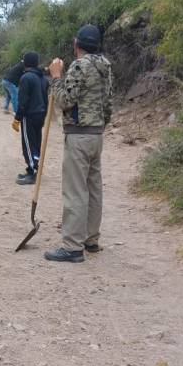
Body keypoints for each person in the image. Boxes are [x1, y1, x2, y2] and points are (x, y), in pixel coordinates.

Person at [44, 24, 113, 263]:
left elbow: (65, 100)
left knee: (75, 190)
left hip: (79, 135)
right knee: (94, 188)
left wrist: (55, 77)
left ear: (77, 45)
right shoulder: (105, 66)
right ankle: (90, 239)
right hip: (96, 135)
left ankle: (72, 246)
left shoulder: (79, 66)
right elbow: (108, 103)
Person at [12, 51, 49, 185]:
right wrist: (44, 115)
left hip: (29, 115)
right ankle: (32, 167)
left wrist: (17, 118)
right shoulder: (43, 78)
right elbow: (46, 100)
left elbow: (23, 102)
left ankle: (33, 173)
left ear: (25, 63)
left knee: (27, 144)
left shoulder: (26, 78)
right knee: (36, 143)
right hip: (40, 115)